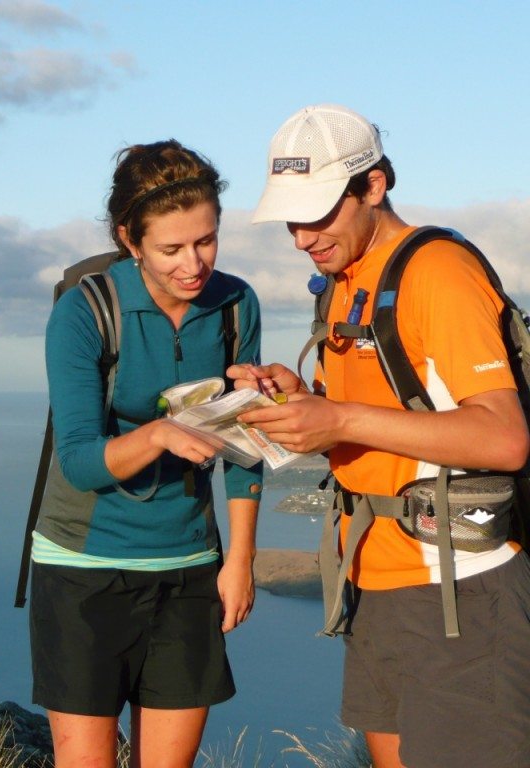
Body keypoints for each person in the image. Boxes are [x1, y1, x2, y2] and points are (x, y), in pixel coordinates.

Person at [233, 103, 530, 768]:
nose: (302, 236)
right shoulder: (342, 282)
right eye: (291, 217)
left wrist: (336, 419)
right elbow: (389, 414)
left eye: (318, 212)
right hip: (374, 577)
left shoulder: (437, 272)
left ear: (374, 185)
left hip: (459, 589)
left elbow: (504, 437)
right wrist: (304, 401)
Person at [29, 140, 263, 768]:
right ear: (131, 239)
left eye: (208, 240)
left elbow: (245, 447)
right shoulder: (86, 311)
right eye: (171, 249)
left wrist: (240, 559)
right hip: (83, 568)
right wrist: (159, 433)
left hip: (189, 568)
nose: (195, 264)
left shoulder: (235, 304)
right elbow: (77, 459)